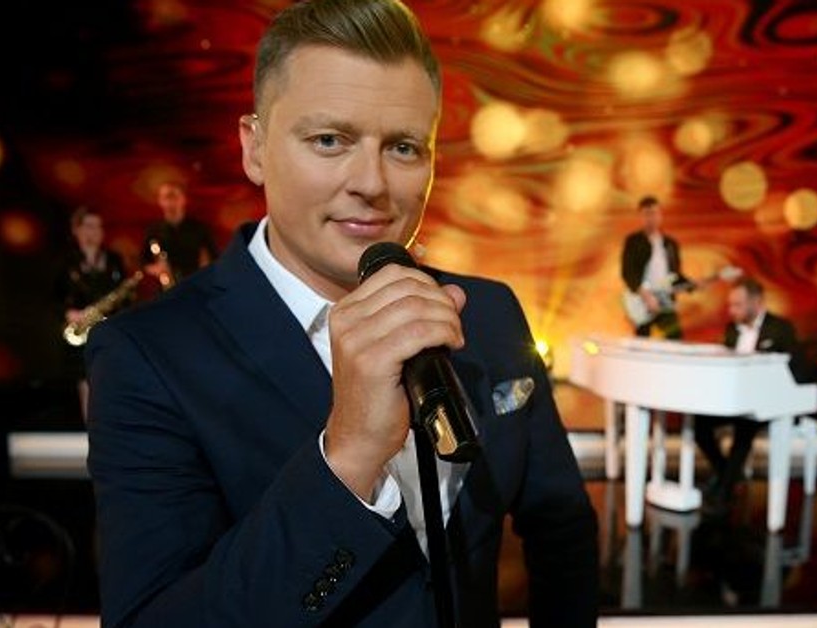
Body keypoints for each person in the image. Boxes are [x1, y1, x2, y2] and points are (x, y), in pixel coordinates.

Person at [84, 1, 599, 626]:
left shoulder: (488, 311)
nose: (372, 184)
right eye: (330, 140)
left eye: (403, 147)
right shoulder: (149, 354)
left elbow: (561, 528)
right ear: (254, 148)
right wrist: (348, 457)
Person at [693, 277, 813, 514]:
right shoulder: (731, 330)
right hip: (735, 400)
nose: (732, 310)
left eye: (737, 304)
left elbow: (798, 369)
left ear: (757, 302)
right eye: (730, 305)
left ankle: (724, 493)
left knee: (745, 426)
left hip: (769, 402)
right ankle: (728, 473)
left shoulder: (781, 328)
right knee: (700, 425)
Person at [54, 206, 133, 421]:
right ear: (76, 229)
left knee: (112, 379)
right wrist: (69, 313)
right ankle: (91, 427)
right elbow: (53, 299)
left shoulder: (114, 260)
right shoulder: (66, 262)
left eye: (98, 226)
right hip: (80, 332)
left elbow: (125, 297)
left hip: (108, 329)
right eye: (89, 226)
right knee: (85, 380)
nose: (95, 231)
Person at [621, 195, 690, 339]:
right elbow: (628, 273)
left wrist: (692, 285)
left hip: (664, 299)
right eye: (647, 214)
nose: (651, 218)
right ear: (640, 217)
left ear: (661, 215)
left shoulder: (670, 244)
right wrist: (646, 296)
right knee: (642, 341)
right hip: (642, 301)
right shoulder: (633, 242)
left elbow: (675, 275)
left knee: (675, 338)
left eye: (654, 213)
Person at [141, 180, 219, 290]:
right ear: (160, 201)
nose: (170, 202)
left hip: (195, 287)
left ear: (184, 199)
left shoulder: (200, 229)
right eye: (166, 197)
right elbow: (143, 262)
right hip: (165, 290)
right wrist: (157, 269)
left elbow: (214, 258)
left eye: (174, 197)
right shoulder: (153, 231)